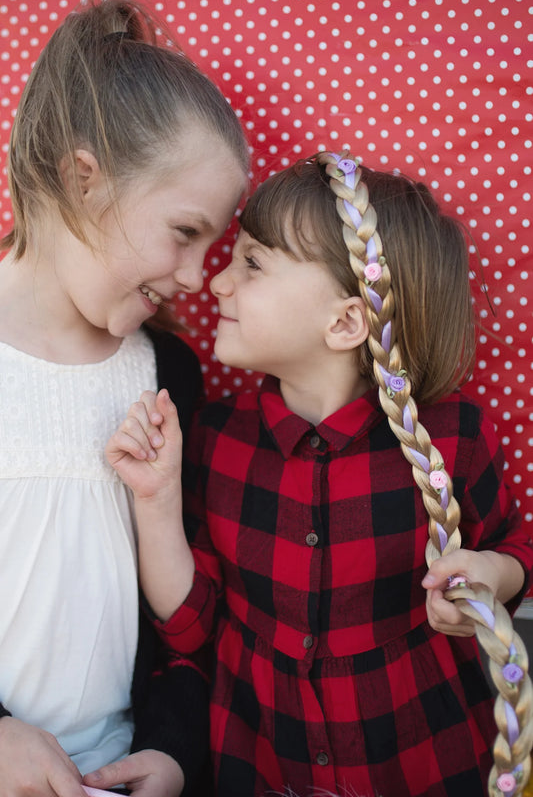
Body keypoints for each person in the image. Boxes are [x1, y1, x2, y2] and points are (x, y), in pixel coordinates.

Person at [105, 152, 533, 797]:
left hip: (422, 754)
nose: (214, 283)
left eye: (251, 263)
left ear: (344, 322)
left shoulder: (450, 436)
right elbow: (191, 626)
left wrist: (490, 576)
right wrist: (157, 498)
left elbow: (515, 547)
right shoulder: (214, 437)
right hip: (262, 759)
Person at [0, 0, 249, 795]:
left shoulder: (166, 372)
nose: (194, 276)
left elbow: (182, 615)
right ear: (85, 178)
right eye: (185, 231)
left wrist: (175, 748)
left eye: (214, 247)